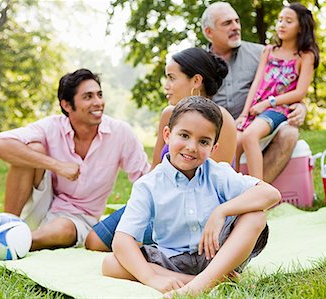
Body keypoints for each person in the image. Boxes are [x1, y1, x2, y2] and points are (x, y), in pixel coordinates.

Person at [101, 96, 280, 297]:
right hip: (172, 261)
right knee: (111, 263)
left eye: (203, 141)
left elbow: (271, 194)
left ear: (213, 149)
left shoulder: (217, 172)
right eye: (184, 135)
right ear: (167, 135)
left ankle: (199, 285)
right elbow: (122, 239)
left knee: (256, 216)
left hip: (218, 254)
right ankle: (207, 281)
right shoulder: (148, 185)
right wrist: (151, 279)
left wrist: (222, 211)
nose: (192, 147)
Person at [84, 47, 237, 252]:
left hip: (193, 212)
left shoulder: (222, 120)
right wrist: (141, 205)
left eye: (172, 78)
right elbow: (155, 169)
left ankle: (164, 253)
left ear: (196, 81)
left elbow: (217, 186)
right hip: (158, 202)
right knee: (94, 241)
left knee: (127, 244)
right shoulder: (169, 115)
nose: (166, 86)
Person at [0, 69, 149, 251]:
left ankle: (11, 242)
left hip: (79, 217)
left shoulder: (121, 133)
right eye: (88, 97)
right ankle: (7, 225)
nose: (98, 103)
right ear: (67, 105)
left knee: (62, 229)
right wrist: (57, 166)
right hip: (44, 202)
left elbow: (144, 179)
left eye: (99, 95)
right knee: (30, 149)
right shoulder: (51, 126)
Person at [201, 1, 308, 183]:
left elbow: (289, 85)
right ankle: (228, 195)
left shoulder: (263, 53)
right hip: (218, 134)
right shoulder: (198, 64)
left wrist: (301, 107)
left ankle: (256, 196)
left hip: (259, 125)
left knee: (290, 133)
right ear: (208, 32)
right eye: (227, 23)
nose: (235, 27)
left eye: (237, 21)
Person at [234, 3, 320, 179]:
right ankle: (231, 191)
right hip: (255, 107)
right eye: (280, 20)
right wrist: (243, 114)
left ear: (300, 27)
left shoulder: (305, 56)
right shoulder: (268, 51)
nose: (281, 24)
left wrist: (268, 102)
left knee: (250, 136)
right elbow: (257, 83)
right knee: (234, 142)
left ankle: (258, 190)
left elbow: (299, 93)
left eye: (288, 21)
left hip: (277, 109)